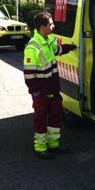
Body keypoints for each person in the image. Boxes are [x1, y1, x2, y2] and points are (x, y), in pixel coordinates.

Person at [23, 12, 76, 159]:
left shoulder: (49, 40)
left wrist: (71, 47)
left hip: (53, 89)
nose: (53, 26)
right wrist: (35, 92)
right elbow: (29, 74)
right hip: (41, 92)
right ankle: (40, 148)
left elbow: (58, 50)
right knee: (40, 120)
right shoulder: (33, 47)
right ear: (42, 27)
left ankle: (53, 145)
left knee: (55, 117)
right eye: (50, 24)